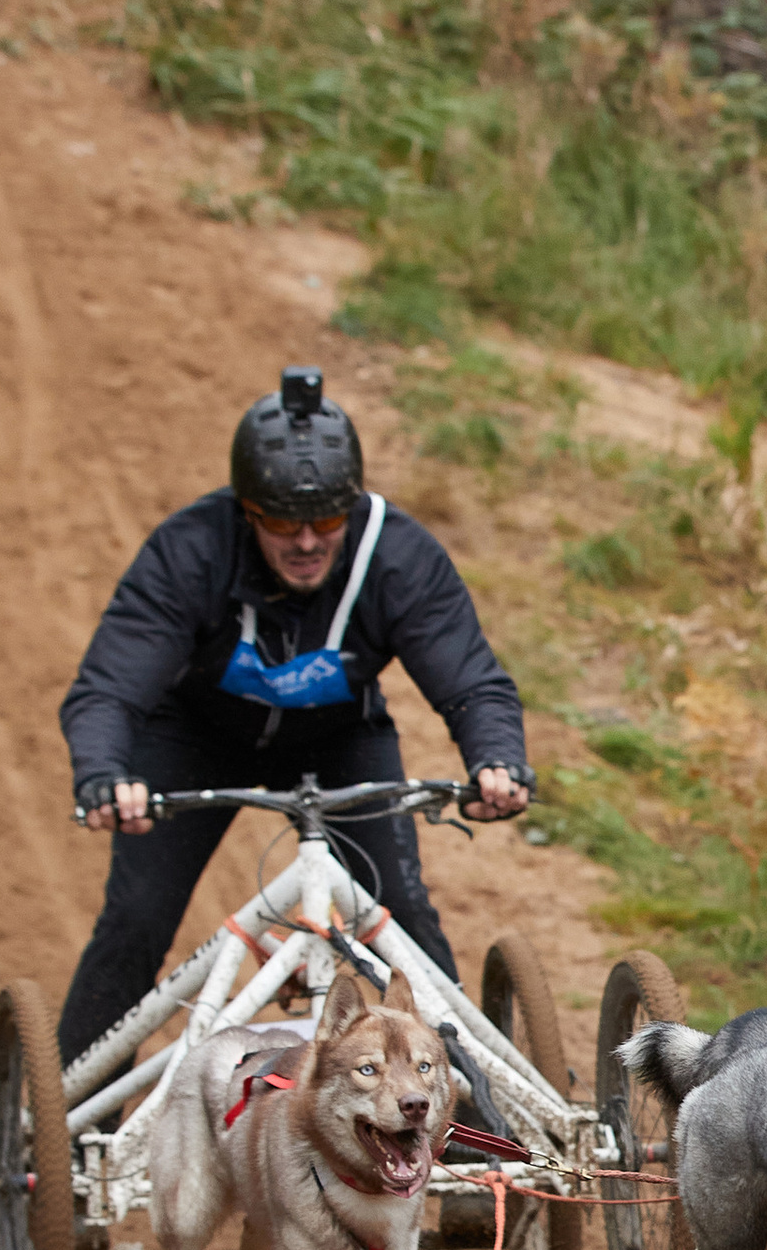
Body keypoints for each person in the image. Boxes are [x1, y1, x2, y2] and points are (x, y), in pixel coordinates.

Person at [57, 367, 533, 1064]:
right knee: (135, 921)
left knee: (398, 919)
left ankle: (464, 1109)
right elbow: (109, 687)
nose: (307, 542)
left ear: (351, 506)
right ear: (246, 512)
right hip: (193, 737)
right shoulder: (190, 552)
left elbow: (472, 681)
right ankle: (75, 1127)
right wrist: (104, 772)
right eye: (282, 521)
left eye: (327, 520)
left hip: (337, 739)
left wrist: (496, 759)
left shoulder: (395, 556)